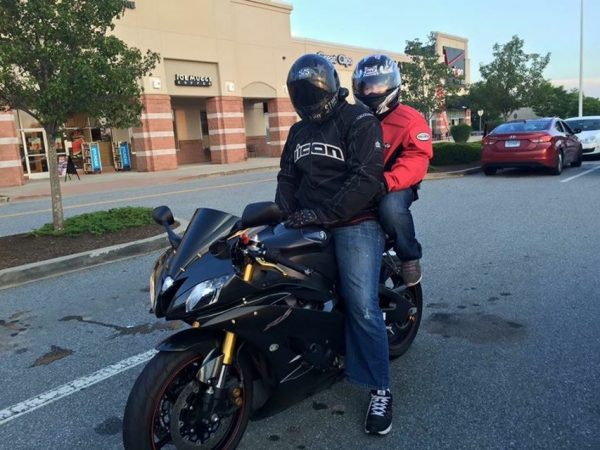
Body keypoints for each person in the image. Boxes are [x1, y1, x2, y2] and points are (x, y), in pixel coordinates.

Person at [275, 53, 393, 435]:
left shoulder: (358, 120)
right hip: (310, 220)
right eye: (299, 95)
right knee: (276, 280)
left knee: (361, 304)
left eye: (311, 93)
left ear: (327, 86)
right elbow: (287, 176)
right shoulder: (298, 131)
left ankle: (380, 388)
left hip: (354, 221)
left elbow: (366, 179)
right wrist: (283, 209)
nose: (306, 101)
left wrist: (322, 214)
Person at [352, 54, 433, 287]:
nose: (371, 91)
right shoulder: (353, 118)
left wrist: (387, 182)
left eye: (377, 84)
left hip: (395, 185)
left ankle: (409, 257)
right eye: (366, 86)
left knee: (391, 208)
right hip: (361, 183)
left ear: (391, 85)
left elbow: (418, 158)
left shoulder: (410, 119)